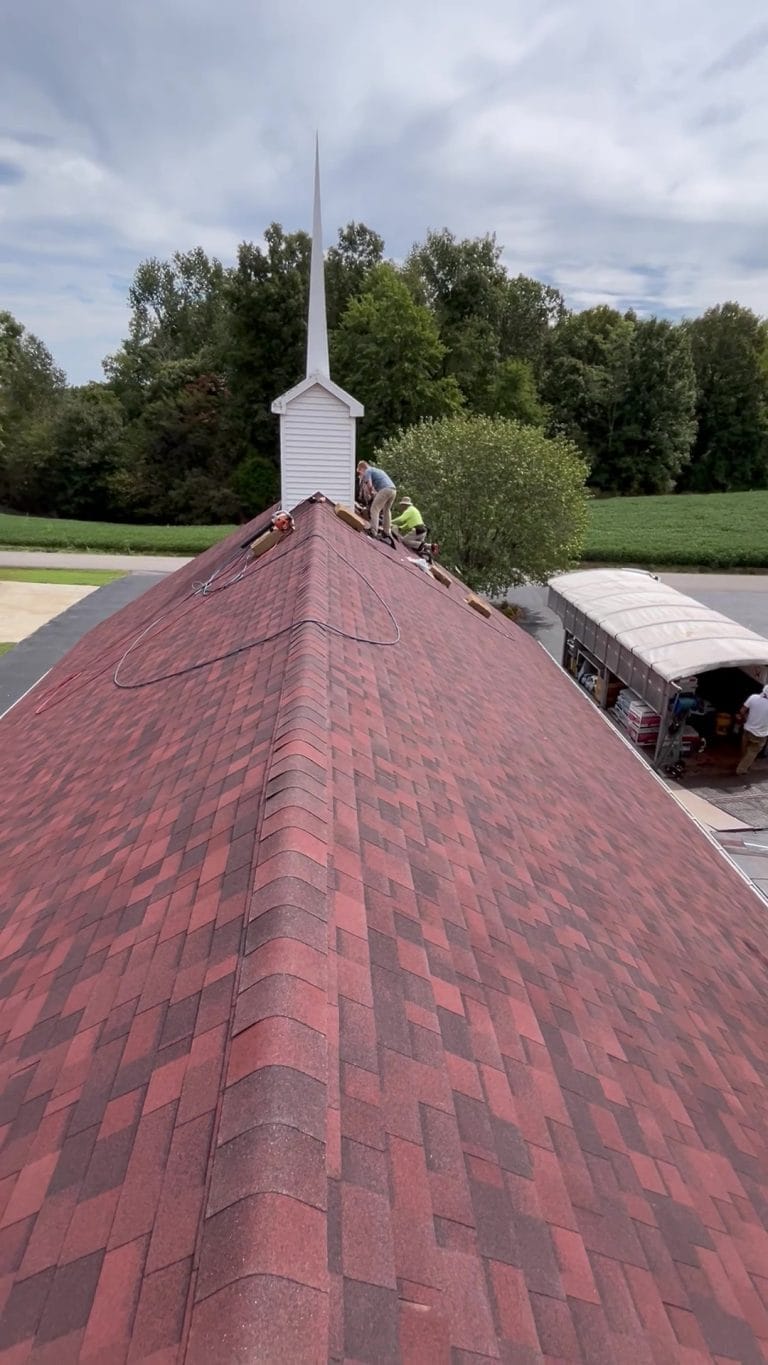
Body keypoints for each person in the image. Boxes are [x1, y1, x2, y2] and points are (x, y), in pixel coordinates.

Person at [357, 460, 396, 539]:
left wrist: (371, 493)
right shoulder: (377, 470)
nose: (360, 474)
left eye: (359, 472)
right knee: (386, 510)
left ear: (362, 468)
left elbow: (370, 485)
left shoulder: (368, 471)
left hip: (385, 489)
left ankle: (373, 530)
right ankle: (386, 532)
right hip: (393, 490)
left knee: (375, 509)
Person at [736, 684, 768, 775]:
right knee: (752, 752)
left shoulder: (753, 697)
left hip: (747, 730)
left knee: (745, 750)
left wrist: (746, 718)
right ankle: (741, 769)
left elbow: (742, 711)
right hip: (761, 735)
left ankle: (745, 764)